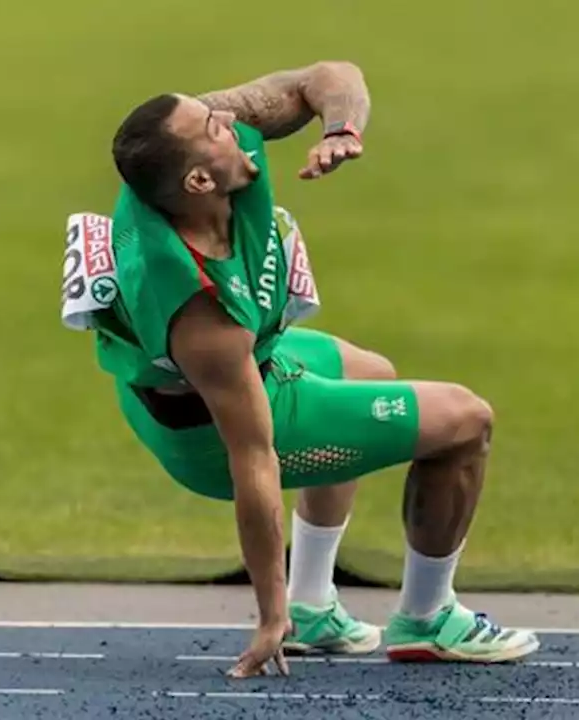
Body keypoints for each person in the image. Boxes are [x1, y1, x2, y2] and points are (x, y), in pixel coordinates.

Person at [64, 60, 539, 679]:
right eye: (215, 126)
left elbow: (326, 75)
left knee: (372, 372)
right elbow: (252, 459)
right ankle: (426, 617)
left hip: (222, 371)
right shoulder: (202, 312)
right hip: (208, 429)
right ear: (201, 181)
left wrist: (341, 128)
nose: (231, 119)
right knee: (467, 422)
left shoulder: (176, 159)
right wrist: (268, 612)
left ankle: (315, 605)